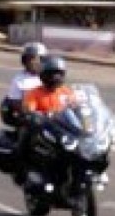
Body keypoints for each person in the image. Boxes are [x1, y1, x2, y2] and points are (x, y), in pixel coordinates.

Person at [17, 55, 81, 187]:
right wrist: (33, 114)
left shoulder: (66, 92)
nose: (56, 78)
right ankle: (22, 170)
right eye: (52, 74)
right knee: (25, 134)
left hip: (62, 129)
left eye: (59, 74)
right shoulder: (34, 93)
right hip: (43, 128)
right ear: (44, 75)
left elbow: (76, 107)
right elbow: (28, 108)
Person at [1, 42, 47, 126]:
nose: (32, 62)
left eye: (34, 58)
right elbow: (15, 102)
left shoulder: (49, 77)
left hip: (50, 118)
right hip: (30, 120)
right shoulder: (19, 80)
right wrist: (29, 111)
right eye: (28, 59)